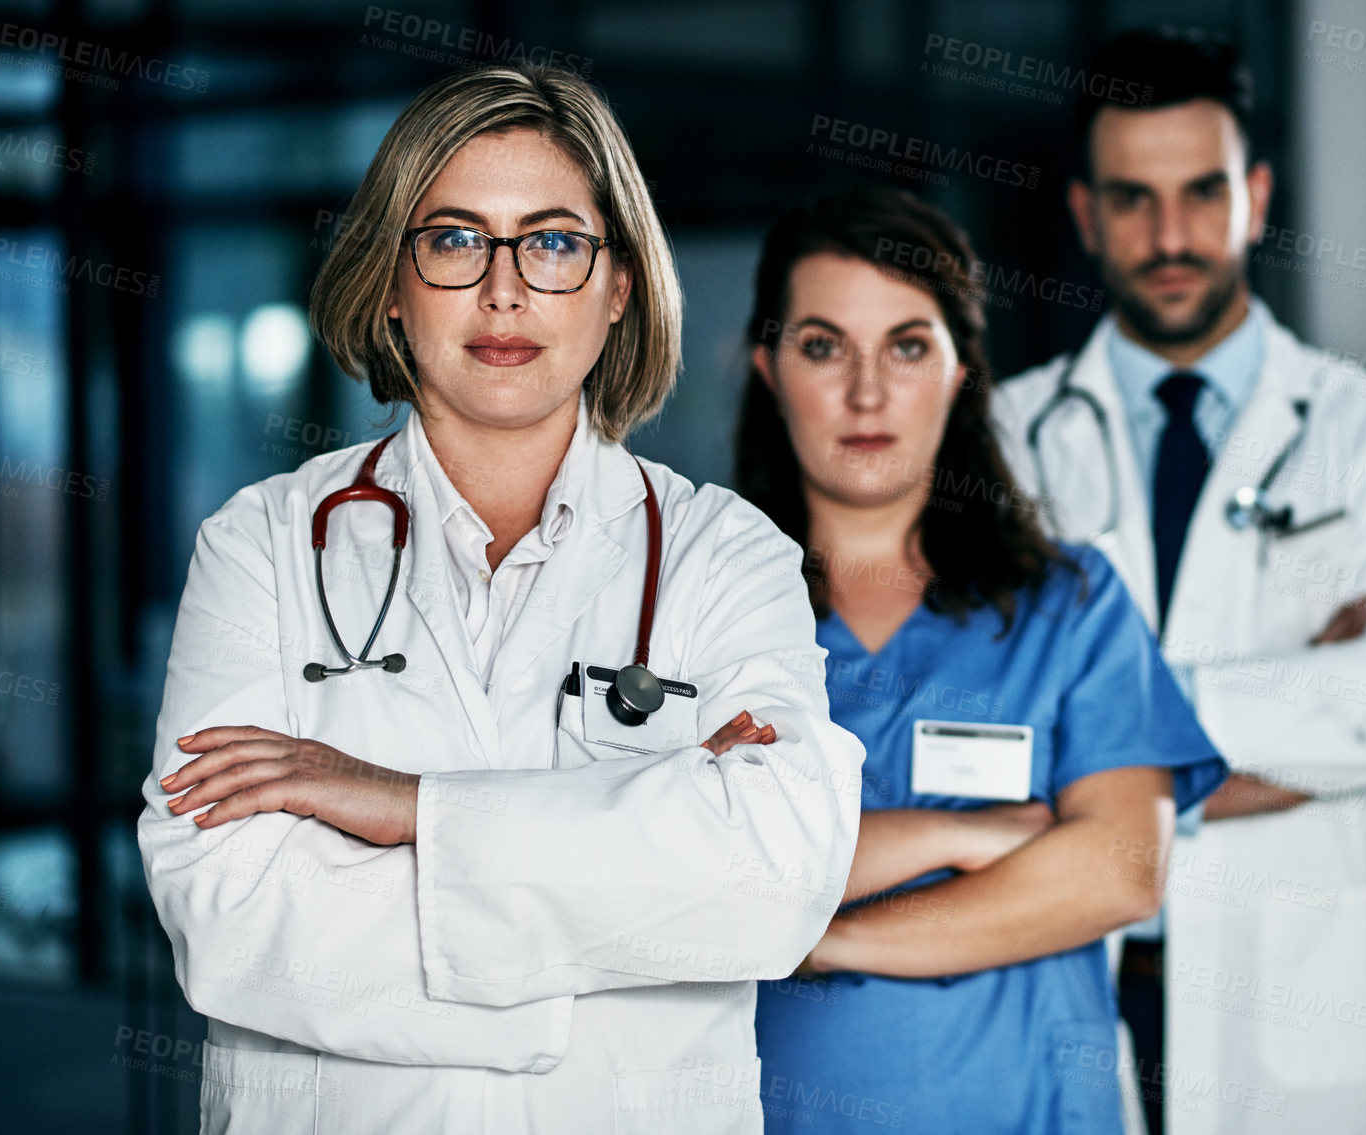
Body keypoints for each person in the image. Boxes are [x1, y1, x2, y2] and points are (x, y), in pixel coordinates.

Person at [137, 64, 864, 1134]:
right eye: (455, 239)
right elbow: (228, 912)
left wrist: (407, 808)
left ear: (618, 289)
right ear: (391, 281)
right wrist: (613, 902)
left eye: (556, 242)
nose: (505, 289)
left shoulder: (724, 553)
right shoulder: (262, 546)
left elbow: (775, 876)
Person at [990, 30, 1366, 1135]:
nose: (1170, 236)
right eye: (1132, 198)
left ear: (1254, 195)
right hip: (1074, 972)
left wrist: (1103, 732)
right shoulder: (1004, 438)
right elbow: (979, 728)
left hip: (1302, 998)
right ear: (1083, 215)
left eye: (1202, 192)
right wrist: (1299, 705)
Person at [735, 186, 1226, 1134]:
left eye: (908, 345)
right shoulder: (701, 613)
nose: (866, 391)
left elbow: (1121, 866)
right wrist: (955, 836)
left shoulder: (1068, 604)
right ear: (769, 366)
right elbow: (692, 875)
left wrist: (823, 939)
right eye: (823, 345)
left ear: (961, 370)